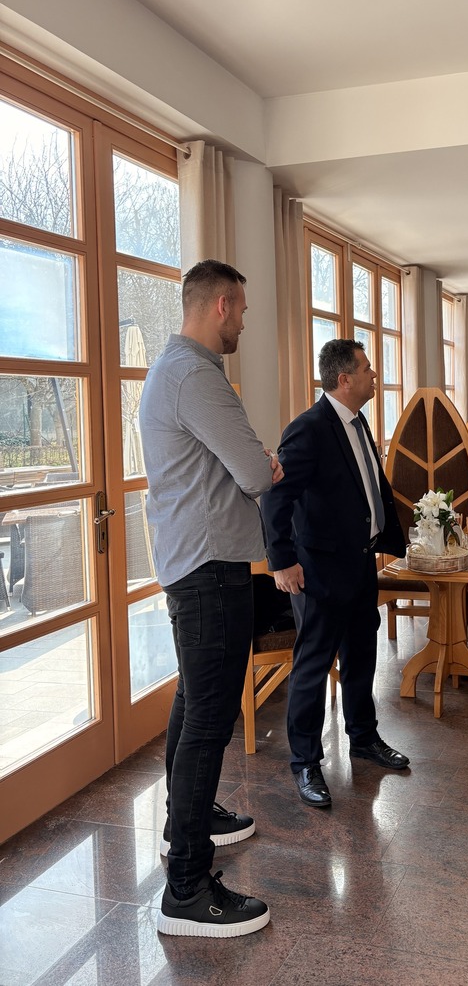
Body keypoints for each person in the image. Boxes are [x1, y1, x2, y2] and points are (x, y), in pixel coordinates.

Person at [141, 259, 283, 937]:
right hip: (208, 567)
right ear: (221, 304)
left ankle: (184, 824)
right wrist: (262, 464)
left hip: (196, 561)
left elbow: (235, 466)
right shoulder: (196, 375)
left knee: (194, 704)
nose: (244, 323)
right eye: (243, 310)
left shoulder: (175, 369)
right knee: (208, 721)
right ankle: (188, 889)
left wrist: (254, 463)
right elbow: (254, 470)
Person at [261, 338, 408, 808]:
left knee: (362, 656)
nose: (374, 375)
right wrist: (281, 561)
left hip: (360, 563)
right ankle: (305, 762)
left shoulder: (358, 421)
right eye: (367, 369)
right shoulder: (308, 429)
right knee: (313, 666)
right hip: (319, 572)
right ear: (344, 379)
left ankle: (363, 737)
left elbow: (365, 487)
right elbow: (275, 499)